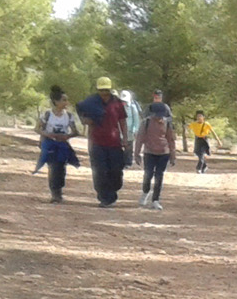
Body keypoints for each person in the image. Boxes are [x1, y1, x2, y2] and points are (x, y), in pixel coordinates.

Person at [75, 77, 130, 208]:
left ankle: (112, 192)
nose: (104, 93)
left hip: (115, 143)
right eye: (101, 90)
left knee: (116, 171)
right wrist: (86, 120)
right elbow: (82, 115)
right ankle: (105, 198)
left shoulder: (117, 103)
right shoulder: (91, 103)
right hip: (97, 143)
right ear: (98, 90)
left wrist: (125, 138)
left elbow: (122, 121)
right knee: (100, 172)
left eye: (106, 90)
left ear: (110, 89)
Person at [35, 87, 80, 203]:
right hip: (50, 145)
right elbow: (37, 128)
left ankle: (59, 190)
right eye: (64, 100)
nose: (66, 103)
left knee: (61, 168)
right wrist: (48, 135)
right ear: (56, 102)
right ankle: (55, 193)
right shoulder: (47, 115)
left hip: (62, 145)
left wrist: (67, 136)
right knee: (53, 168)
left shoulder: (69, 116)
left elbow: (75, 131)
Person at [135, 101, 178, 210]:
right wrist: (137, 153)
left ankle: (155, 200)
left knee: (159, 176)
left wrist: (173, 155)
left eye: (162, 115)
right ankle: (145, 192)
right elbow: (140, 139)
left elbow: (171, 140)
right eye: (157, 115)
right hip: (149, 153)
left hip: (164, 154)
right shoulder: (146, 123)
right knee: (148, 174)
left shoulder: (167, 124)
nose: (159, 118)